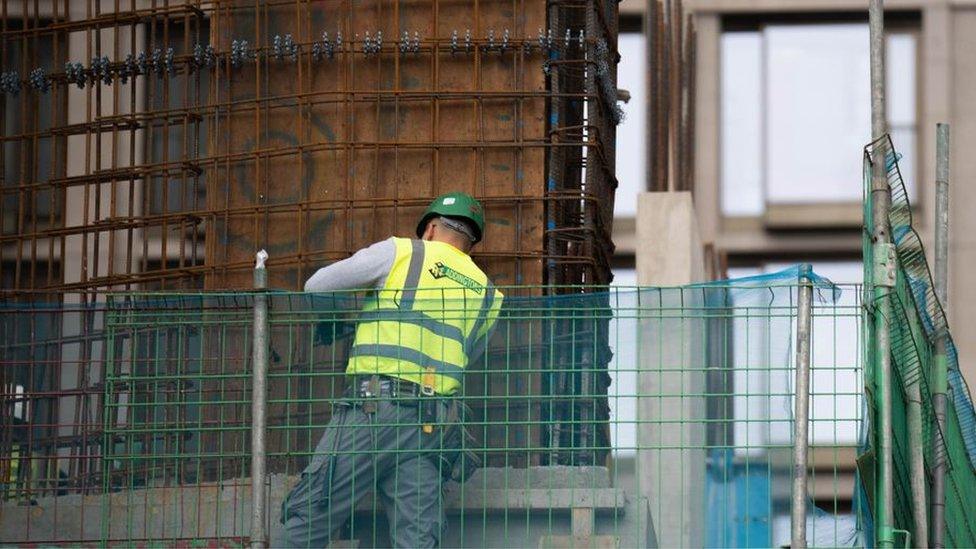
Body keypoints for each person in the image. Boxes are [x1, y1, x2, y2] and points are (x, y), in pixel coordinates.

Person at [281, 192, 504, 548]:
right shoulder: (489, 295)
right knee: (418, 539)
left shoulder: (402, 251)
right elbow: (467, 356)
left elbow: (317, 285)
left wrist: (337, 319)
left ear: (430, 229)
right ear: (470, 243)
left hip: (373, 414)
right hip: (430, 428)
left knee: (311, 516)